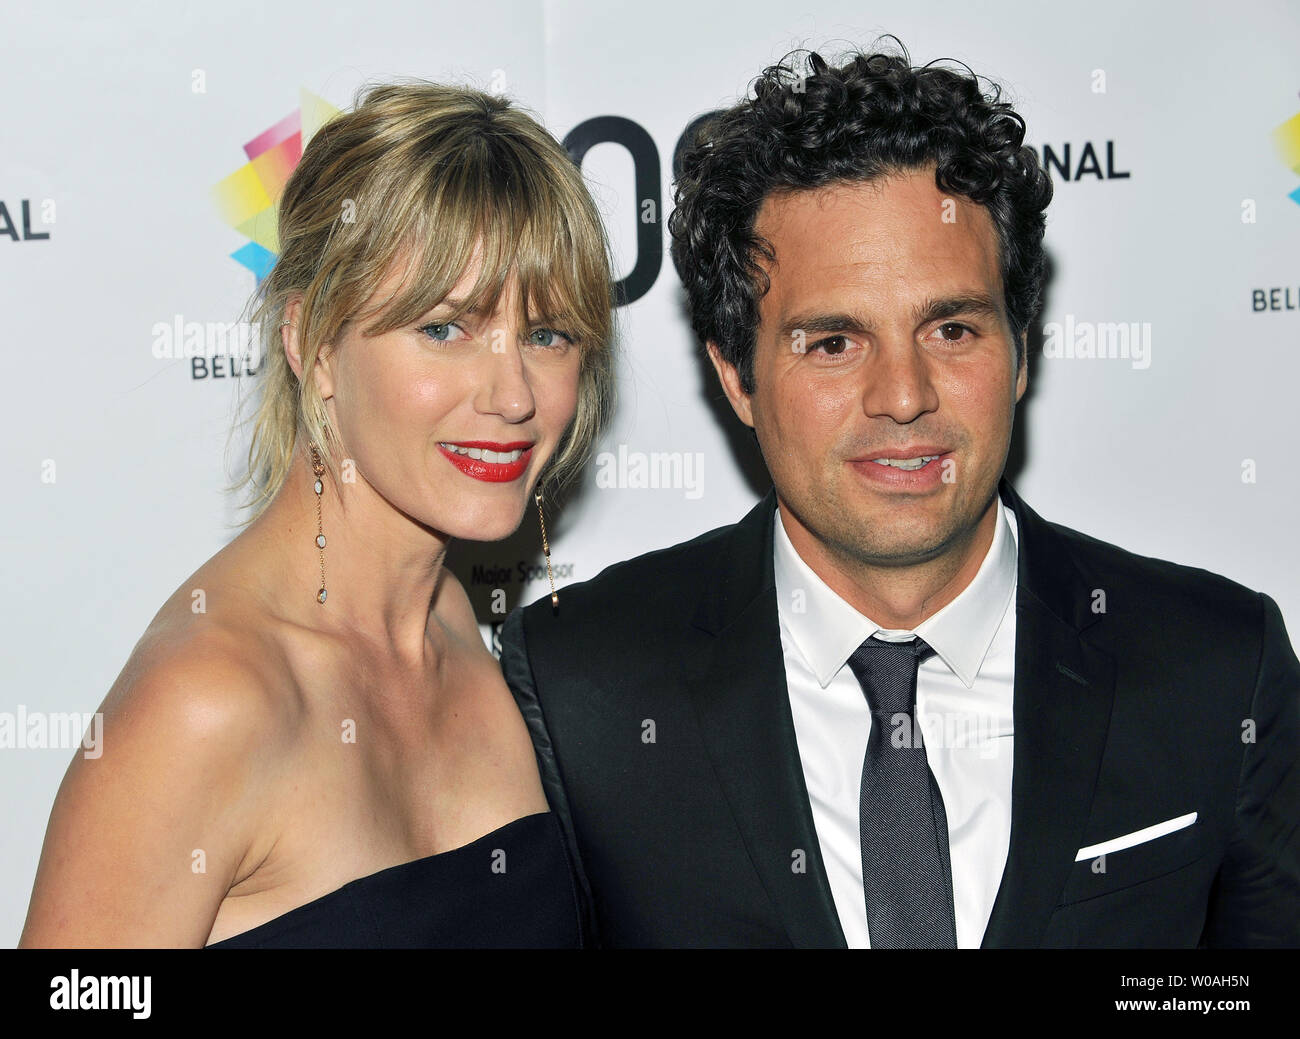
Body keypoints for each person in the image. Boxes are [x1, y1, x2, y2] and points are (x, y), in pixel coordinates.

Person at [500, 43, 1300, 947]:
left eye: (952, 328)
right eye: (833, 343)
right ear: (736, 377)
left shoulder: (1217, 664)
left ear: (1021, 348)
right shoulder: (584, 688)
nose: (905, 394)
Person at [20, 80, 614, 948]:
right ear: (311, 341)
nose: (513, 394)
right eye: (445, 328)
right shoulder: (209, 702)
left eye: (547, 334)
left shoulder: (452, 623)